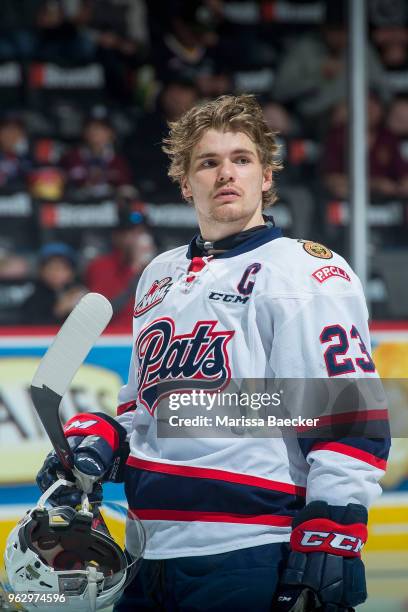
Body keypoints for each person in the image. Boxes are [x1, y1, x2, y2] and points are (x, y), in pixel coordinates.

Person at [36, 95, 390, 611]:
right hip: (145, 554)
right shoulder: (160, 274)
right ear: (185, 184)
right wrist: (102, 444)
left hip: (248, 552)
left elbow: (349, 418)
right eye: (208, 162)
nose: (226, 173)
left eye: (241, 159)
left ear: (266, 177)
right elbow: (145, 412)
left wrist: (331, 534)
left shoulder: (303, 273)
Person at [85, 211, 156, 328]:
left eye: (142, 233)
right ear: (117, 237)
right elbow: (100, 313)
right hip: (114, 339)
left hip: (149, 337)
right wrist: (135, 269)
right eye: (132, 233)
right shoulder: (101, 266)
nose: (139, 239)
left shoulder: (158, 267)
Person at [22, 242, 86, 324]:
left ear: (72, 273)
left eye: (61, 268)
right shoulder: (33, 301)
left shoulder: (83, 295)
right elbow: (29, 330)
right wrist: (58, 311)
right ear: (41, 271)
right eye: (51, 267)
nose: (55, 272)